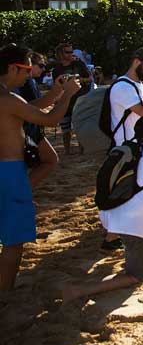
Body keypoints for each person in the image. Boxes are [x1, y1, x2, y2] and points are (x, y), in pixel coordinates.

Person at [61, 116, 143, 302]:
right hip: (134, 223)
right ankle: (79, 290)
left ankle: (111, 247)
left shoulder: (128, 149)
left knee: (130, 246)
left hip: (110, 215)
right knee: (136, 275)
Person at [0, 45, 82, 290]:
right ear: (13, 68)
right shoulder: (8, 99)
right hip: (10, 172)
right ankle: (5, 295)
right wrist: (67, 95)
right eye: (27, 68)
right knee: (14, 242)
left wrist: (55, 92)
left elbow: (29, 108)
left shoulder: (8, 98)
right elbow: (49, 120)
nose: (30, 73)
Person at [16, 52, 62, 186]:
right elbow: (34, 106)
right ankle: (23, 192)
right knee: (49, 160)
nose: (43, 70)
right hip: (28, 128)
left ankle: (23, 192)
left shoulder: (30, 81)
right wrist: (61, 95)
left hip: (30, 126)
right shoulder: (26, 82)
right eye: (40, 66)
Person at [50, 42, 92, 154]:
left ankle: (82, 151)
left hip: (79, 101)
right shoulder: (56, 70)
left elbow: (90, 79)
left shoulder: (79, 64)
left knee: (79, 127)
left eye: (71, 51)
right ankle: (67, 151)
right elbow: (56, 87)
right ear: (60, 53)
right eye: (67, 52)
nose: (70, 54)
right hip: (65, 102)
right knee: (65, 129)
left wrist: (78, 80)